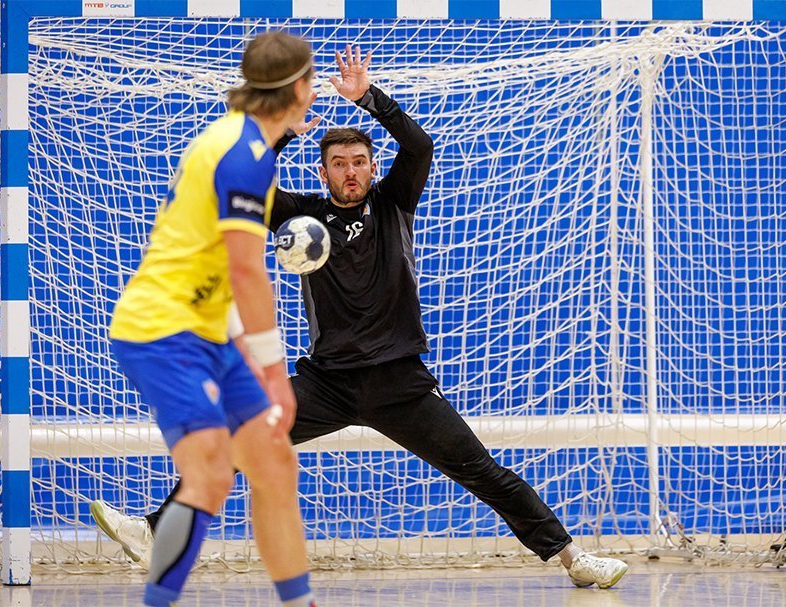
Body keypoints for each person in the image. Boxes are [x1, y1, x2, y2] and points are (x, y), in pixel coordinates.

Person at [95, 45, 628, 591]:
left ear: (372, 168)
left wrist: (368, 98)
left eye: (358, 162)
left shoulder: (393, 202)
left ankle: (573, 558)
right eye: (338, 163)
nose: (349, 172)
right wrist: (281, 134)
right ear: (323, 170)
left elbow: (419, 146)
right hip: (328, 381)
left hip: (399, 383)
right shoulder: (300, 215)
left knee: (482, 472)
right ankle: (155, 532)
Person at [103, 31, 318, 607]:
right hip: (162, 331)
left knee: (274, 463)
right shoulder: (243, 155)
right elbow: (247, 270)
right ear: (300, 88)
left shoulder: (243, 143)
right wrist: (273, 372)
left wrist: (241, 345)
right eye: (312, 78)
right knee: (211, 475)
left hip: (209, 329)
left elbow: (221, 264)